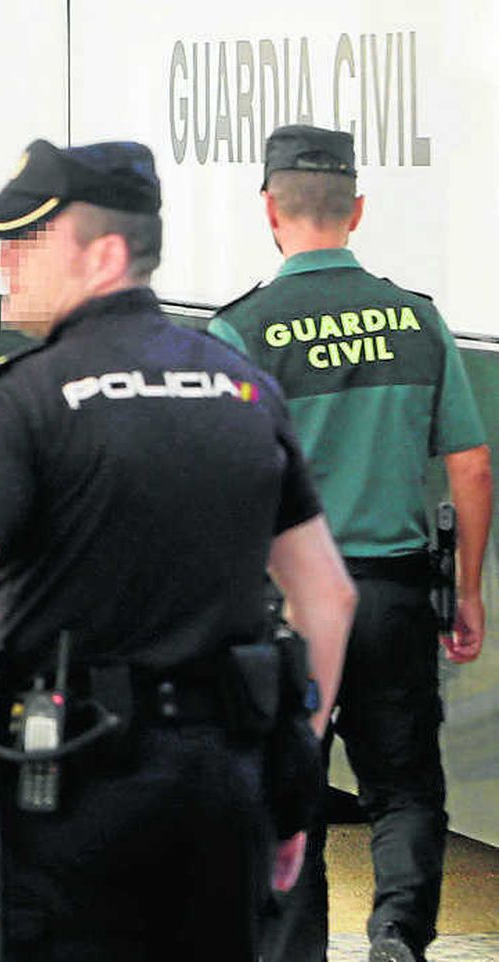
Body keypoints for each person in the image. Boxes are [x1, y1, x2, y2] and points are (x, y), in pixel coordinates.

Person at [0, 139, 358, 960]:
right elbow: (328, 598)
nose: (4, 260)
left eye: (26, 241)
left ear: (105, 253)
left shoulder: (23, 397)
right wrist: (292, 770)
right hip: (222, 782)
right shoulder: (242, 386)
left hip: (73, 787)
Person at [208, 125, 492, 962]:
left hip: (291, 607)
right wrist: (468, 589)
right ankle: (397, 932)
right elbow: (470, 469)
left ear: (269, 210)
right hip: (396, 596)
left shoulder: (241, 331)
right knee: (404, 785)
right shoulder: (417, 319)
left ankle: (299, 953)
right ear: (358, 209)